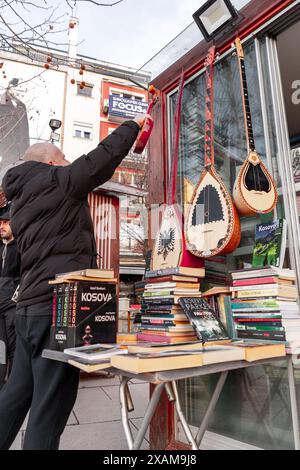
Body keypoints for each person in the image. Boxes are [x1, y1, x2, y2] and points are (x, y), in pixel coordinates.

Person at [0, 114, 148, 450]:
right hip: (58, 310)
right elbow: (100, 159)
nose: (68, 162)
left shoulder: (20, 203)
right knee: (48, 409)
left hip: (28, 313)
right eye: (64, 157)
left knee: (14, 396)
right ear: (51, 160)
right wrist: (133, 126)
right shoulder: (58, 180)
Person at [0, 203, 20, 388]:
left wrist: (16, 296)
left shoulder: (20, 247)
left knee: (14, 345)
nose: (2, 226)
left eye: (6, 222)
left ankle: (14, 385)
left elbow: (27, 273)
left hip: (12, 305)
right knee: (0, 346)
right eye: (0, 223)